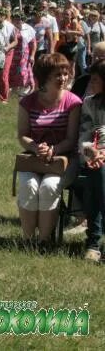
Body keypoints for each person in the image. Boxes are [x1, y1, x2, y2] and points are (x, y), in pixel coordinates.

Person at [16, 53, 81, 245]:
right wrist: (36, 147)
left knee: (49, 187)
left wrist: (53, 149)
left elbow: (71, 139)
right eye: (57, 75)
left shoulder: (73, 102)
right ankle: (28, 241)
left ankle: (44, 242)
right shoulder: (27, 102)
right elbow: (22, 135)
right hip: (34, 158)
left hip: (65, 160)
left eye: (65, 73)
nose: (63, 78)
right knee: (29, 187)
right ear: (45, 77)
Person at [78, 59, 105, 262]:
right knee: (98, 172)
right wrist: (91, 153)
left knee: (100, 175)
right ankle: (94, 242)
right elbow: (84, 137)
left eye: (95, 80)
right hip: (95, 159)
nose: (91, 84)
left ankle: (94, 242)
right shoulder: (89, 103)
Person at [9, 12, 36, 94]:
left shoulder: (28, 28)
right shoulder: (10, 28)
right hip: (13, 53)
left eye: (19, 19)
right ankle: (14, 88)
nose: (17, 21)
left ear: (23, 20)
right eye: (15, 19)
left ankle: (26, 87)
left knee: (23, 71)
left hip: (24, 54)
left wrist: (32, 55)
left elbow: (33, 42)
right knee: (13, 71)